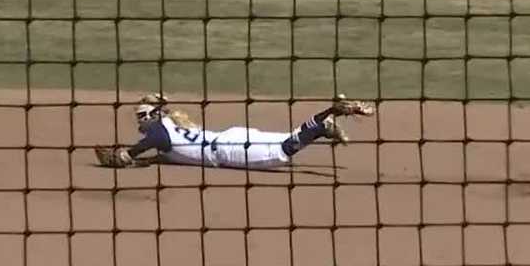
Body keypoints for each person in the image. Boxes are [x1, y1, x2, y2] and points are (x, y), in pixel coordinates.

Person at [94, 93, 376, 170]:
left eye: (141, 117)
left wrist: (123, 156)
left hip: (230, 150)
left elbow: (132, 154)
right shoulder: (169, 126)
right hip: (231, 138)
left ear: (152, 116)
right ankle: (325, 123)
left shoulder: (158, 134)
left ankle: (330, 114)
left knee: (284, 150)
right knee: (289, 139)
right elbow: (162, 152)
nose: (140, 122)